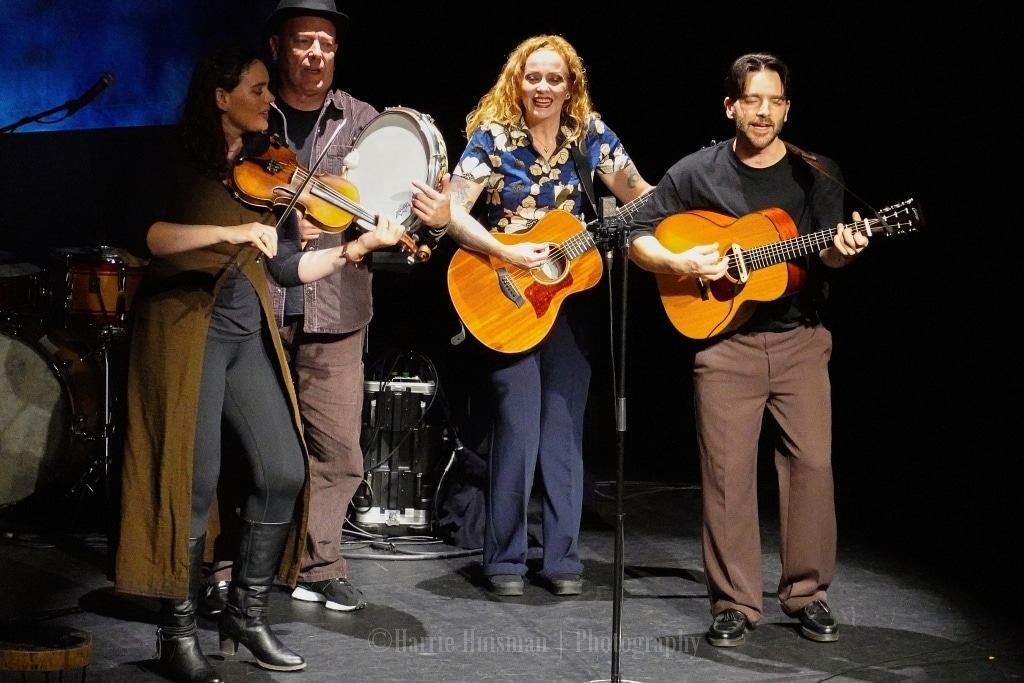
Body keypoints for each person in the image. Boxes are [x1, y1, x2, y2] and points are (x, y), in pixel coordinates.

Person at [113, 46, 406, 683]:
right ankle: (179, 631)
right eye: (256, 88)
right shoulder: (177, 159)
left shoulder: (265, 169)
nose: (268, 99)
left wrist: (359, 246)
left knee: (282, 469)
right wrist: (227, 234)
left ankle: (246, 615)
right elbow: (152, 237)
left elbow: (285, 266)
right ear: (220, 97)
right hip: (186, 331)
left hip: (248, 330)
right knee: (192, 487)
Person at [197, 0, 453, 616]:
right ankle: (233, 563)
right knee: (245, 444)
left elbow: (402, 204)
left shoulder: (366, 122)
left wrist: (433, 221)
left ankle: (320, 564)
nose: (316, 55)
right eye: (304, 42)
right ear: (278, 46)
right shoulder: (255, 111)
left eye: (327, 45)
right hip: (259, 299)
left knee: (338, 448)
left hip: (338, 305)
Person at [627, 52, 870, 646]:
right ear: (731, 106)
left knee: (812, 468)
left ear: (787, 108)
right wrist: (678, 259)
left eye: (775, 101)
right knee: (728, 477)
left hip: (800, 342)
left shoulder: (818, 174)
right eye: (753, 100)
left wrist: (845, 247)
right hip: (724, 346)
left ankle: (807, 594)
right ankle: (734, 602)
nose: (764, 112)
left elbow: (828, 255)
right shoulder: (695, 172)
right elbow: (636, 233)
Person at [443, 34, 653, 596]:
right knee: (517, 425)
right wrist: (509, 251)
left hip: (568, 304)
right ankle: (505, 559)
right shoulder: (493, 140)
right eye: (533, 77)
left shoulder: (592, 138)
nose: (542, 87)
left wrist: (686, 203)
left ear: (571, 87)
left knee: (562, 430)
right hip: (506, 294)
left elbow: (639, 194)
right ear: (518, 81)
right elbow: (449, 212)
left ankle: (561, 558)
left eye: (554, 79)